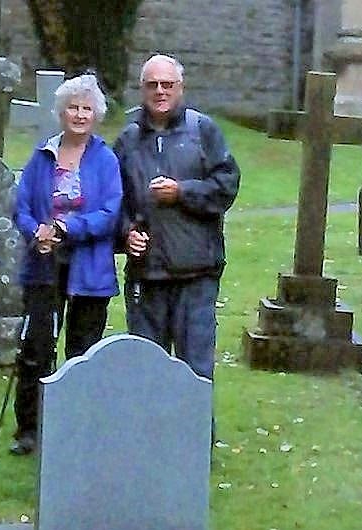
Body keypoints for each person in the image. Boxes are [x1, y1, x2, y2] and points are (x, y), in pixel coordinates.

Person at [9, 74, 123, 456]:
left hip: (90, 270)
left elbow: (110, 213)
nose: (79, 114)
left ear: (96, 115)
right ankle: (30, 429)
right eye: (73, 107)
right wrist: (36, 232)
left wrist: (67, 228)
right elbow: (22, 206)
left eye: (86, 108)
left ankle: (77, 430)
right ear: (61, 112)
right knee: (36, 347)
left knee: (83, 351)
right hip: (43, 266)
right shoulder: (42, 155)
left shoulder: (105, 159)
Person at [113, 54, 241, 390]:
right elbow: (113, 202)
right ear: (142, 89)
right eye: (152, 85)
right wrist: (126, 233)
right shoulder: (127, 140)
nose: (160, 91)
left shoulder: (203, 130)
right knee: (146, 375)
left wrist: (182, 192)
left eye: (167, 84)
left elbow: (226, 187)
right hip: (146, 277)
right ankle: (150, 428)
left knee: (194, 375)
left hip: (195, 275)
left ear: (180, 88)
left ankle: (195, 428)